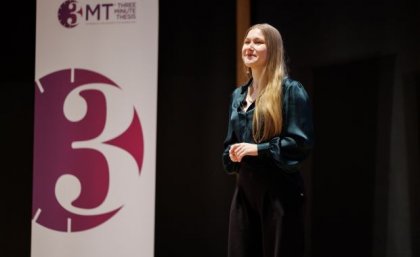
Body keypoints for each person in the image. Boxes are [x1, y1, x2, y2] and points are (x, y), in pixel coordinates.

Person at [222, 23, 314, 257]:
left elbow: (300, 143)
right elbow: (229, 143)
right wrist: (232, 153)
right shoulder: (238, 95)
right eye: (247, 41)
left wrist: (257, 149)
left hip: (279, 193)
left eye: (258, 42)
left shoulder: (290, 91)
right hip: (245, 192)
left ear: (272, 50)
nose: (249, 46)